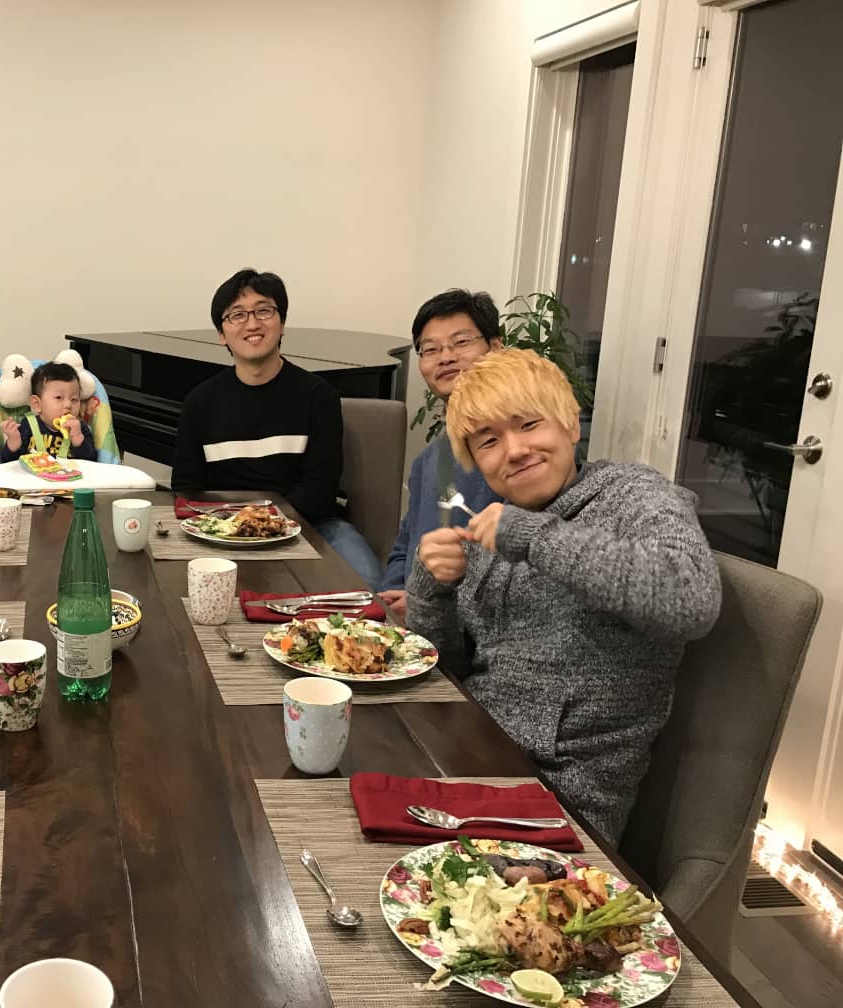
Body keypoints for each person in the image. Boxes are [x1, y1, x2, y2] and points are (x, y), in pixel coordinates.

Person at [406, 349, 721, 845]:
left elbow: (691, 598)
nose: (513, 450)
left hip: (561, 803)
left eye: (529, 424)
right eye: (489, 441)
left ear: (571, 425)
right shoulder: (496, 524)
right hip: (467, 759)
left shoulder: (633, 495)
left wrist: (535, 537)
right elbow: (449, 672)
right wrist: (431, 590)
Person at [172, 268, 382, 587]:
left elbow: (321, 488)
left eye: (264, 311)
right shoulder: (199, 402)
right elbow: (187, 486)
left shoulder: (318, 396)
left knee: (368, 582)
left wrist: (265, 524)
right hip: (223, 528)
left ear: (281, 323)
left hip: (312, 523)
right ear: (221, 333)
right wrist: (235, 526)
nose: (252, 323)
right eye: (237, 315)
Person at [377, 290, 503, 624]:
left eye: (461, 342)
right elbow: (405, 546)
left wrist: (422, 600)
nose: (445, 357)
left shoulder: (517, 455)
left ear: (496, 348)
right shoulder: (428, 460)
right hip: (416, 620)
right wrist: (392, 591)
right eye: (430, 349)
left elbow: (515, 575)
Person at [0, 361, 100, 463]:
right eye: (59, 397)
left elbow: (92, 463)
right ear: (37, 404)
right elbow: (9, 463)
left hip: (70, 478)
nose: (68, 405)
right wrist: (13, 442)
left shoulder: (80, 429)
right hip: (34, 478)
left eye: (74, 399)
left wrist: (78, 439)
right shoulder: (27, 426)